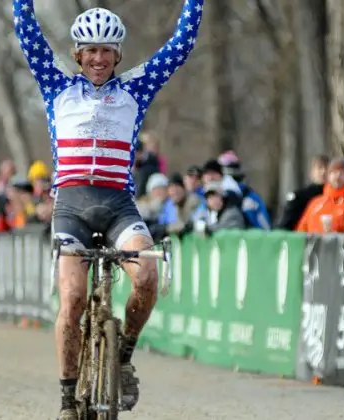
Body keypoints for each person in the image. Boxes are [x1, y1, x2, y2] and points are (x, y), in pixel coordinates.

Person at [12, 2, 205, 418]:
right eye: (90, 51)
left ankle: (123, 357)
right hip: (71, 208)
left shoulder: (134, 89)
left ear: (117, 55)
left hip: (118, 205)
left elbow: (181, 45)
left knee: (148, 275)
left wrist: (195, 4)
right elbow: (27, 34)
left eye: (107, 51)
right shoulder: (55, 85)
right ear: (78, 54)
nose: (98, 59)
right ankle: (67, 397)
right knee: (73, 299)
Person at [296, 157, 344, 233]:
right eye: (334, 172)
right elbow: (301, 230)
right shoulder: (315, 203)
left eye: (342, 173)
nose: (337, 176)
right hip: (314, 244)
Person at [275, 155, 329, 230]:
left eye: (327, 169)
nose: (323, 172)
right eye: (319, 168)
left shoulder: (336, 197)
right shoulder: (300, 196)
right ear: (312, 172)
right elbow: (286, 223)